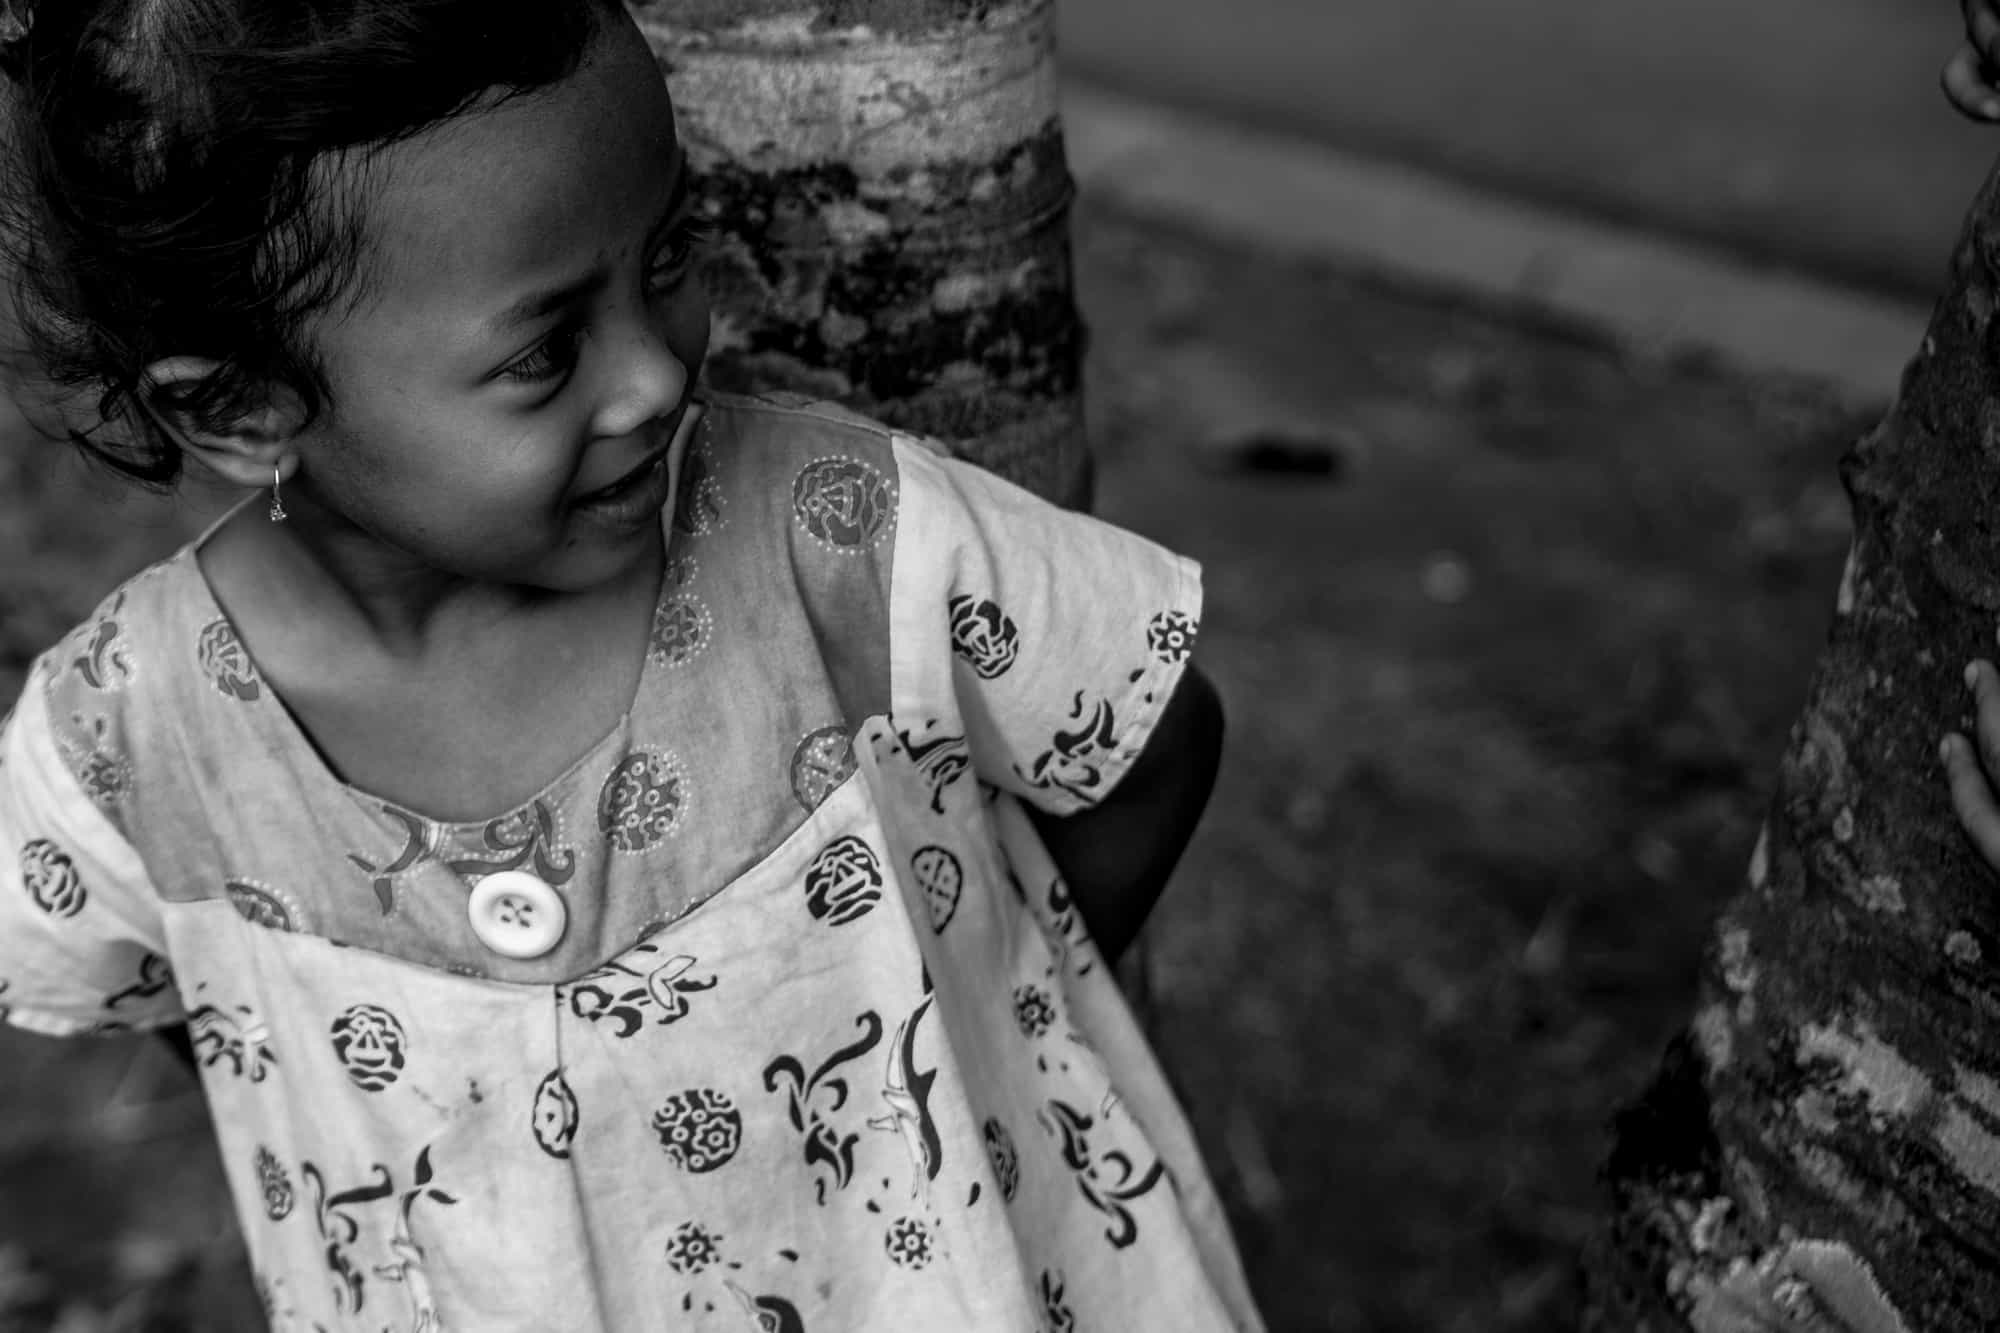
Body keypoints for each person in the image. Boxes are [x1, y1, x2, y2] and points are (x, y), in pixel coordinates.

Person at [0, 2, 1263, 1329]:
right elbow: (206, 1022)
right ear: (241, 407)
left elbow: (1152, 733)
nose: (658, 375)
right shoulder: (127, 739)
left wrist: (988, 1011)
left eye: (666, 256)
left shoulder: (839, 541)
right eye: (545, 351)